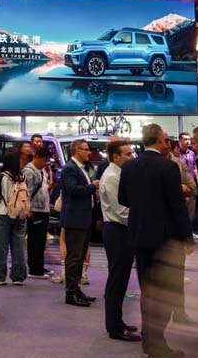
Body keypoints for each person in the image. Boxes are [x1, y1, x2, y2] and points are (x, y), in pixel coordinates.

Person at [120, 124, 194, 358]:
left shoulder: (129, 166)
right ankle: (156, 344)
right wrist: (187, 237)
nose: (167, 143)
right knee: (164, 292)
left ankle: (149, 339)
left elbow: (123, 198)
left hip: (139, 236)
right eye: (165, 139)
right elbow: (177, 205)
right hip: (165, 238)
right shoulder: (167, 166)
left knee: (148, 291)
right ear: (159, 140)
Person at [99, 139, 140, 341]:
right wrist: (142, 219)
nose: (132, 157)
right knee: (117, 279)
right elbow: (122, 211)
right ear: (115, 157)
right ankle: (114, 326)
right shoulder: (112, 177)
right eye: (128, 154)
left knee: (121, 279)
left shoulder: (119, 174)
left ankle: (117, 321)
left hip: (120, 230)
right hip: (117, 231)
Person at [0, 143, 37, 287]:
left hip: (2, 213)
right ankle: (18, 277)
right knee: (18, 246)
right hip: (19, 215)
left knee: (0, 247)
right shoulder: (22, 177)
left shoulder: (1, 177)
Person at [61, 138, 97, 306]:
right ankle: (71, 293)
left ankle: (75, 289)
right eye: (85, 149)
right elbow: (73, 190)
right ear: (76, 151)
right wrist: (93, 187)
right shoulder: (70, 168)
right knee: (74, 257)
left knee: (80, 256)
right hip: (75, 219)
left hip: (83, 218)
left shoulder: (81, 168)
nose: (88, 152)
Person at [27, 146, 54, 279]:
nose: (45, 163)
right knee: (35, 240)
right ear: (36, 157)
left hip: (43, 208)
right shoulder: (29, 171)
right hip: (35, 210)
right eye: (44, 160)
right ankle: (34, 269)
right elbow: (26, 191)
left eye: (47, 161)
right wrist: (29, 208)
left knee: (41, 240)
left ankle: (39, 265)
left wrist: (48, 188)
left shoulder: (41, 170)